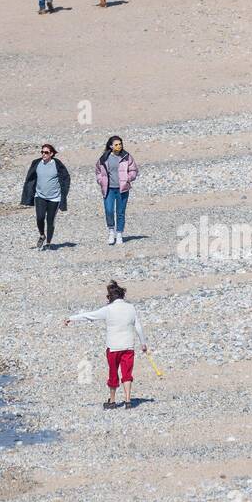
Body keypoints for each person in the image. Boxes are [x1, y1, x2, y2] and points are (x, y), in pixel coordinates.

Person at [65, 279, 146, 410]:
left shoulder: (108, 309)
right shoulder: (131, 308)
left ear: (110, 297)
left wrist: (72, 318)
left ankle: (112, 401)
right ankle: (128, 400)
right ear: (122, 295)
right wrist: (143, 343)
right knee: (127, 373)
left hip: (113, 347)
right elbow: (139, 327)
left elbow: (89, 316)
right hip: (128, 346)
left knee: (113, 373)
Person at [21, 143, 70, 250]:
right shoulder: (36, 163)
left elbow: (66, 178)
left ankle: (48, 242)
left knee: (50, 220)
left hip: (54, 198)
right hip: (40, 196)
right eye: (42, 152)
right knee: (40, 217)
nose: (44, 154)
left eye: (46, 152)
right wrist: (29, 192)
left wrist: (64, 193)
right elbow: (30, 178)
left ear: (51, 154)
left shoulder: (57, 164)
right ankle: (42, 235)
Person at [95, 134, 138, 245]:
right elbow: (98, 171)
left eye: (120, 144)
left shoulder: (126, 157)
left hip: (122, 189)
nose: (119, 146)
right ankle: (111, 232)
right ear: (111, 146)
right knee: (109, 210)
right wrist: (101, 180)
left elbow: (133, 170)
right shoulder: (104, 158)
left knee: (120, 212)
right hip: (108, 189)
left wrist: (128, 178)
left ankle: (119, 234)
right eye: (116, 144)